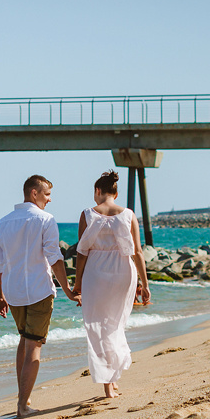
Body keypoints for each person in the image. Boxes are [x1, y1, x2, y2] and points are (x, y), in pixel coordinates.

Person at [0, 175, 80, 418]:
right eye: (47, 194)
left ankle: (25, 398)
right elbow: (54, 257)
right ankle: (22, 406)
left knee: (24, 340)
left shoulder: (2, 223)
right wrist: (68, 290)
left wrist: (0, 296)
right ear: (34, 193)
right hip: (39, 291)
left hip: (13, 293)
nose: (49, 200)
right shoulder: (45, 220)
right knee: (33, 345)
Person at [72, 170, 151, 399]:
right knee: (115, 324)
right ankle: (112, 377)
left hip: (96, 272)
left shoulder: (87, 214)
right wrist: (145, 284)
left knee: (97, 326)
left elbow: (81, 252)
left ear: (98, 191)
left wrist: (77, 282)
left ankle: (108, 382)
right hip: (123, 271)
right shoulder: (128, 214)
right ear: (115, 193)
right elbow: (138, 252)